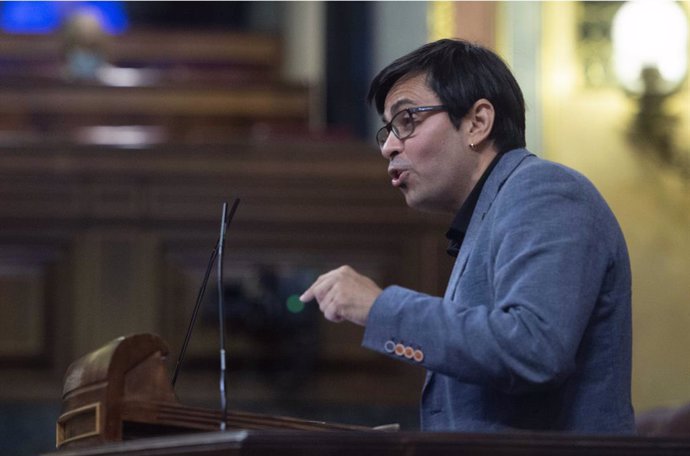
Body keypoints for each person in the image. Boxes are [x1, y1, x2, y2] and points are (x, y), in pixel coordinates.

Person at [299, 39, 634, 434]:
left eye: (407, 120)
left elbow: (533, 350)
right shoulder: (491, 213)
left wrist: (380, 309)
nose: (388, 146)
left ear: (477, 122)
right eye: (387, 130)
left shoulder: (545, 190)